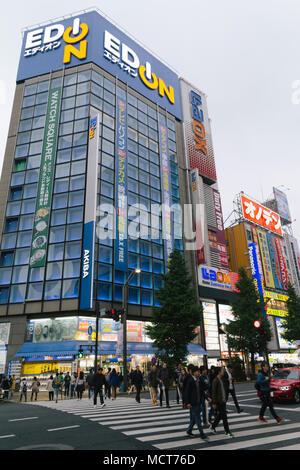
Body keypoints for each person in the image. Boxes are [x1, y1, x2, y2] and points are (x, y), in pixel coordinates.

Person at [185, 366, 209, 441]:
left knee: (193, 418)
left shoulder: (199, 380)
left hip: (198, 402)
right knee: (198, 418)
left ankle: (189, 430)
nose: (199, 373)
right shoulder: (190, 380)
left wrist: (206, 397)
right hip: (193, 403)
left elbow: (202, 390)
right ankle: (202, 434)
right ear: (193, 372)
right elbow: (187, 392)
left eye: (199, 372)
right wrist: (187, 402)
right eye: (197, 372)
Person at [210, 366, 234, 438]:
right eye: (222, 370)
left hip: (223, 400)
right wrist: (214, 403)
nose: (223, 372)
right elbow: (214, 392)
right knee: (224, 417)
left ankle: (213, 426)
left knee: (220, 415)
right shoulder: (215, 381)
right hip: (219, 401)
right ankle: (227, 431)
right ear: (219, 372)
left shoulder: (221, 379)